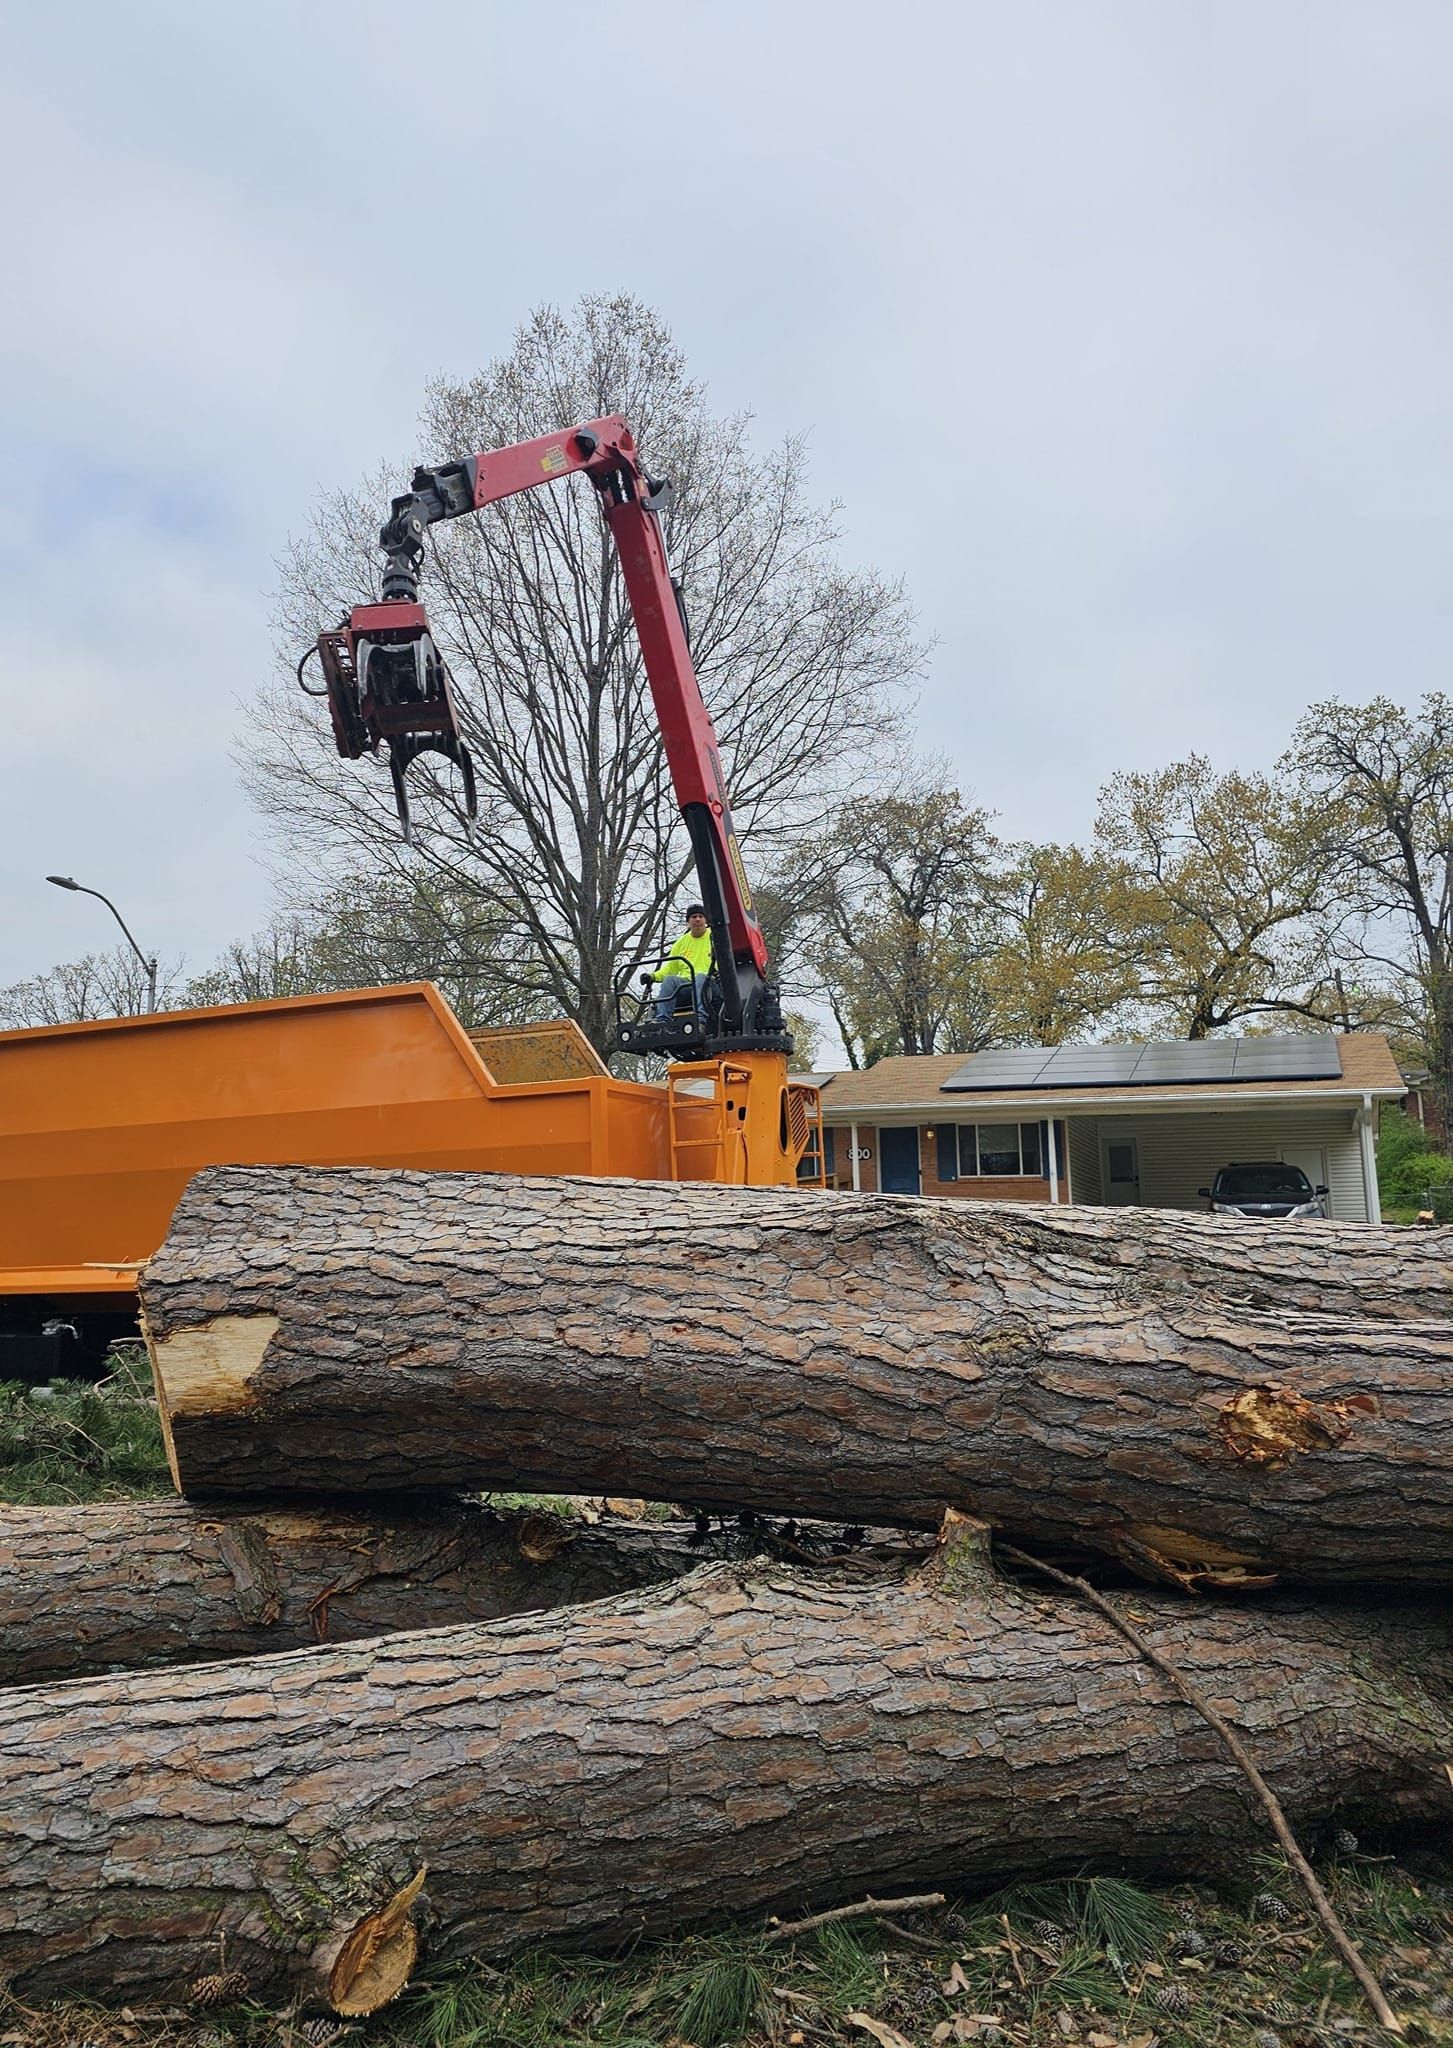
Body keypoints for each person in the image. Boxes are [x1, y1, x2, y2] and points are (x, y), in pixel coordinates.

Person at [650, 904, 714, 1023]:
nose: (697, 919)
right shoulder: (681, 943)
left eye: (701, 916)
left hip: (710, 983)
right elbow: (670, 968)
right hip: (686, 984)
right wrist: (652, 976)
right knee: (670, 980)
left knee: (700, 978)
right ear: (688, 922)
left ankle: (700, 1020)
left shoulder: (715, 937)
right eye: (694, 917)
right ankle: (662, 1021)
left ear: (706, 920)